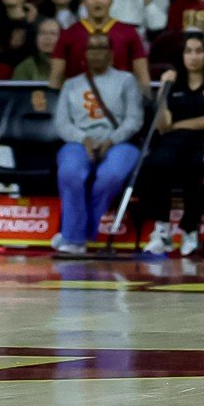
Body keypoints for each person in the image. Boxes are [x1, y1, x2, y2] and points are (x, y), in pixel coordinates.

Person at [51, 34, 143, 256]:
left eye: (102, 48)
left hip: (120, 143)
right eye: (92, 48)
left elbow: (134, 119)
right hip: (79, 141)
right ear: (85, 54)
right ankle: (73, 240)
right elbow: (61, 123)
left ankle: (77, 232)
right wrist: (84, 139)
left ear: (111, 54)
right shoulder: (71, 84)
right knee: (70, 172)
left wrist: (112, 139)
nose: (97, 53)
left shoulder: (127, 80)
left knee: (109, 177)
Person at [134, 32, 204, 257]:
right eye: (188, 51)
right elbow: (163, 126)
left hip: (202, 143)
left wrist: (183, 124)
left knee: (193, 168)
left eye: (199, 51)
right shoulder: (173, 85)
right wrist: (163, 90)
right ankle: (162, 229)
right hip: (170, 143)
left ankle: (190, 229)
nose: (193, 57)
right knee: (153, 166)